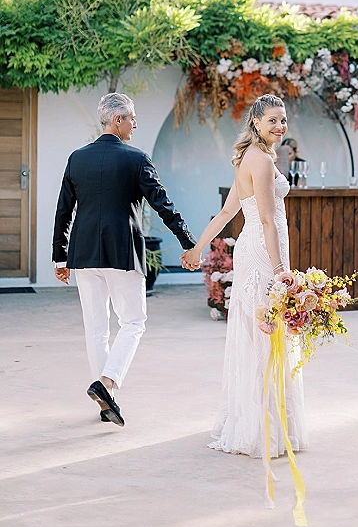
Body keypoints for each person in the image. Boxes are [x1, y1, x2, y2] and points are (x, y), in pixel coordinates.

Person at [52, 92, 198, 427]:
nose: (135, 123)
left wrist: (60, 257)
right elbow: (163, 205)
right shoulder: (136, 159)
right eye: (132, 118)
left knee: (96, 327)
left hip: (84, 252)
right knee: (133, 322)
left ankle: (106, 402)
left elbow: (63, 211)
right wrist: (189, 243)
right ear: (118, 120)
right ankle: (106, 384)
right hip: (122, 251)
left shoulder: (77, 158)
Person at [182, 94, 308, 458]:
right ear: (256, 122)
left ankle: (252, 418)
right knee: (267, 330)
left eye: (283, 120)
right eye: (272, 120)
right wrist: (281, 268)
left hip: (253, 247)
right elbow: (267, 219)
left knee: (257, 332)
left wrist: (197, 249)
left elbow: (225, 214)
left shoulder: (250, 157)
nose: (280, 126)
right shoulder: (263, 162)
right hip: (263, 250)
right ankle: (263, 426)